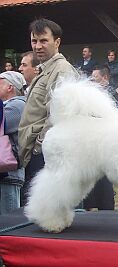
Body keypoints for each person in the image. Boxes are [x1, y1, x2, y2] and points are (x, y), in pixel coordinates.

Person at [18, 18, 79, 206]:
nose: (38, 46)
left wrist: (39, 146)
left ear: (57, 42)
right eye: (34, 41)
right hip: (37, 153)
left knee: (48, 209)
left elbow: (60, 115)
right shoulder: (46, 70)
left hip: (47, 154)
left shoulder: (62, 70)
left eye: (44, 40)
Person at [82, 65, 118, 211]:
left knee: (104, 180)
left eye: (95, 79)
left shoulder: (112, 95)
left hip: (107, 144)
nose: (92, 82)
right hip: (92, 143)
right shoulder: (93, 96)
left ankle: (106, 210)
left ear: (105, 78)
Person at [0, 71, 26, 214]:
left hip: (9, 174)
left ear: (10, 87)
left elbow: (2, 124)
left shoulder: (18, 105)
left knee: (7, 223)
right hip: (5, 173)